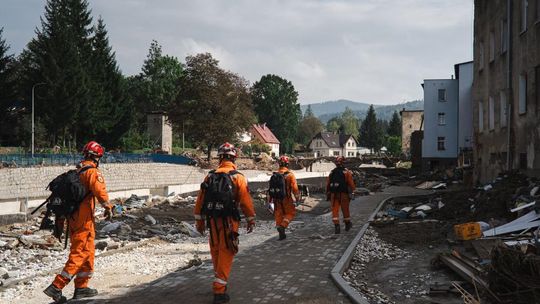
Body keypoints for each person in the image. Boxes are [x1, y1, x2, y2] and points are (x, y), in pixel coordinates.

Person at [44, 141, 113, 303]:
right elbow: (100, 191)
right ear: (97, 157)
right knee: (80, 252)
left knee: (88, 251)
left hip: (73, 218)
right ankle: (56, 286)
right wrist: (108, 207)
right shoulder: (92, 172)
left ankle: (82, 287)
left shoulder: (78, 171)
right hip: (84, 219)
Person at [194, 142, 256, 304]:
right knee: (227, 251)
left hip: (212, 219)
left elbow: (200, 200)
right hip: (229, 220)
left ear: (220, 158)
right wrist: (251, 219)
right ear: (234, 158)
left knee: (216, 250)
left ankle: (219, 280)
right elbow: (245, 201)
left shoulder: (210, 176)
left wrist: (199, 222)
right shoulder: (238, 177)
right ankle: (219, 290)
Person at [268, 155, 300, 240]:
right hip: (287, 199)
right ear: (287, 164)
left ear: (279, 165)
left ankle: (280, 229)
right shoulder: (290, 175)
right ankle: (283, 226)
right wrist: (297, 199)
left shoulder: (275, 175)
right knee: (290, 213)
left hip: (276, 199)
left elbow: (270, 189)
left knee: (278, 214)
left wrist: (270, 201)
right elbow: (295, 188)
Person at [326, 156, 356, 234]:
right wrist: (353, 191)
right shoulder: (346, 172)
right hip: (343, 194)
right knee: (345, 209)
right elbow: (351, 183)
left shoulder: (332, 172)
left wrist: (328, 193)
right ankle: (347, 225)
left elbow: (328, 184)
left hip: (334, 194)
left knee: (335, 210)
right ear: (343, 163)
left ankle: (337, 227)